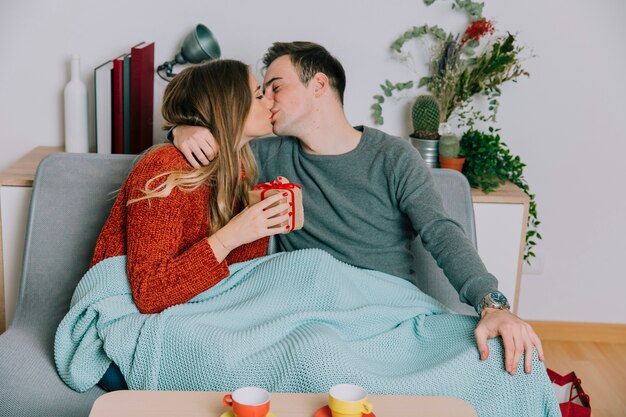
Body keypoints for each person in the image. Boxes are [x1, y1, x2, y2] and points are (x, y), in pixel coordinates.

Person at [170, 41, 544, 377]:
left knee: (501, 363)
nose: (267, 100)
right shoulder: (263, 155)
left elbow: (441, 232)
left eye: (276, 87)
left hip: (389, 313)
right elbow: (190, 167)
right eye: (262, 92)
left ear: (318, 85)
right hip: (311, 318)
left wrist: (491, 304)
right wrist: (180, 130)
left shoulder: (393, 156)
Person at [88, 59, 290, 389]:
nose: (270, 101)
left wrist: (256, 225)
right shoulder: (165, 168)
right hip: (126, 331)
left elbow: (231, 284)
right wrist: (231, 235)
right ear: (228, 106)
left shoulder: (237, 169)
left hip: (192, 311)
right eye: (258, 95)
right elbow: (149, 294)